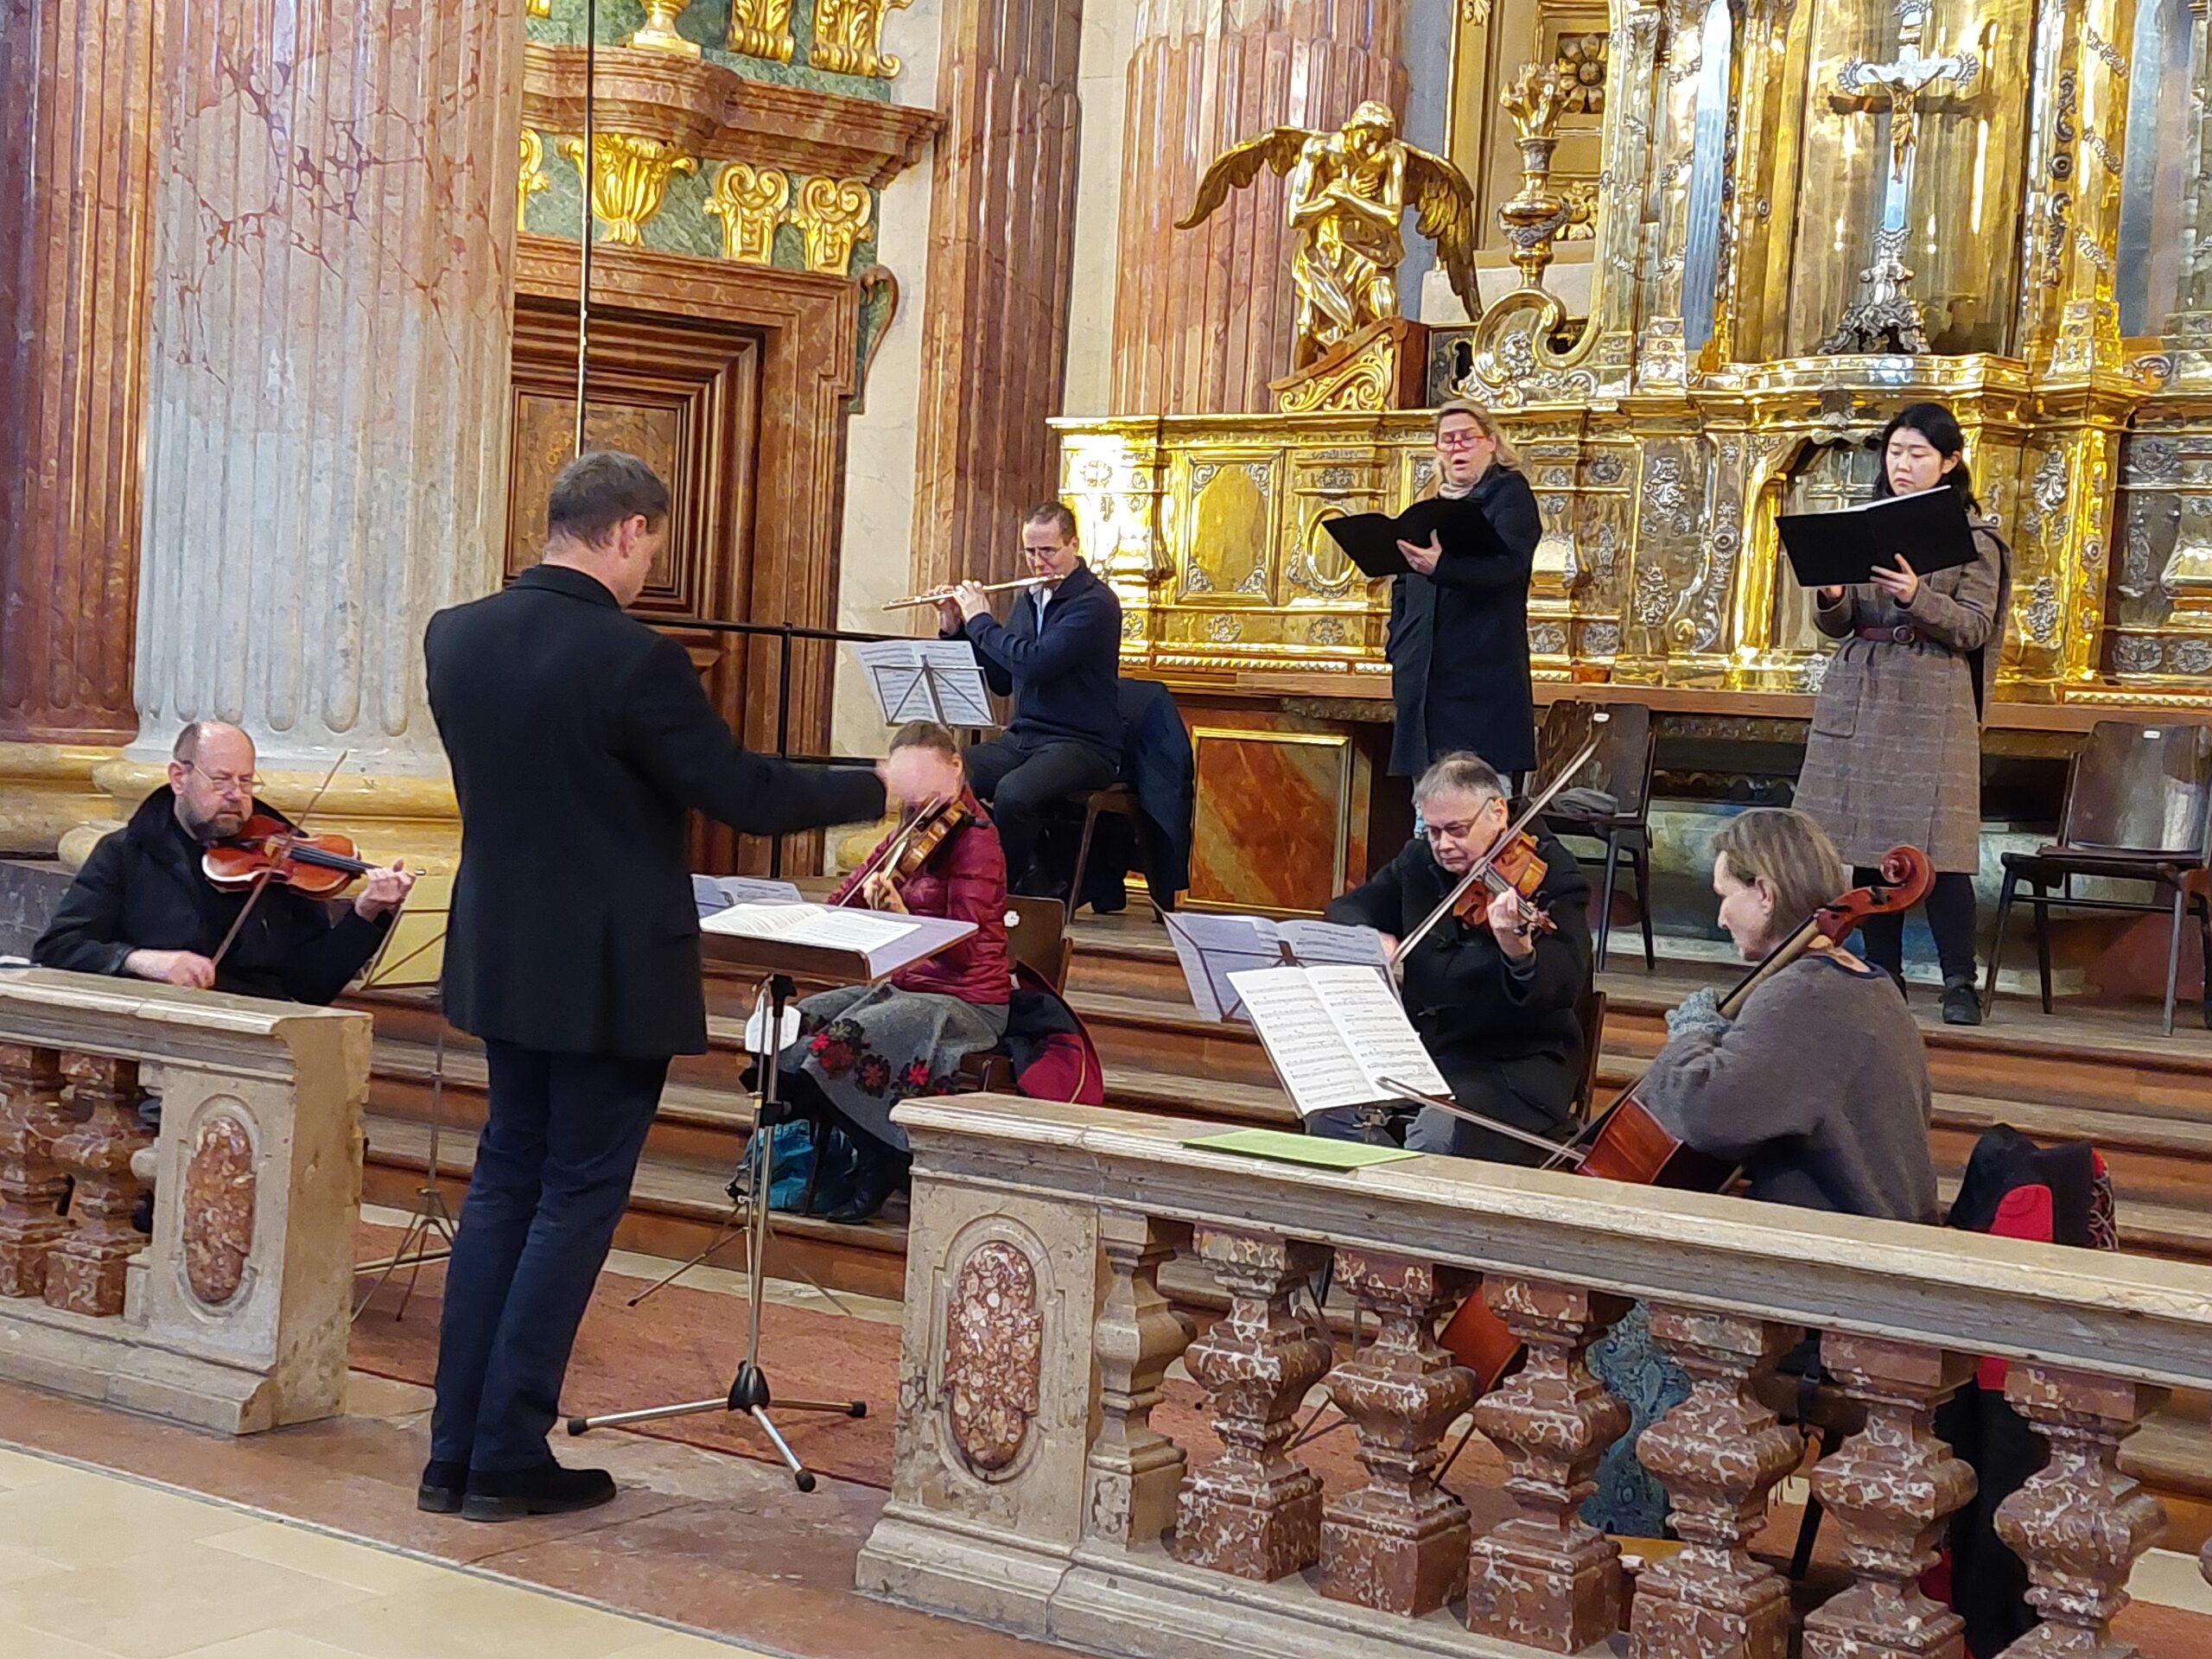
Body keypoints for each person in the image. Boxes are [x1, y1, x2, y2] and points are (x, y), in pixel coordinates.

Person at [419, 450, 919, 1522]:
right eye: (652, 547)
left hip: (501, 956)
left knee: (503, 1186)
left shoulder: (454, 636)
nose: (649, 568)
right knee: (572, 1201)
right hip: (603, 976)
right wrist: (882, 782)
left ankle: (452, 1452)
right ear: (630, 531)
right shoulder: (633, 658)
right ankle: (504, 1452)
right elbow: (743, 793)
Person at [1584, 807, 1937, 1536]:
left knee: (1619, 1330)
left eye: (1726, 895)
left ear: (1766, 892)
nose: (1719, 916)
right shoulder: (1864, 983)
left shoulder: (1805, 994)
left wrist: (1690, 1036)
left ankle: (1639, 1547)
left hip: (1838, 1287)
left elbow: (1709, 1112)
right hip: (1870, 1259)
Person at [1795, 401, 2011, 1027]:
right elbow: (1841, 623)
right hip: (1864, 688)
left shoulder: (1974, 539)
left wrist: (1919, 596)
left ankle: (1958, 981)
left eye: (1918, 453)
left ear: (1950, 461)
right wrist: (1832, 597)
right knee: (1867, 844)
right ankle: (1882, 974)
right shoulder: (1867, 525)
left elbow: (1974, 626)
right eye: (1895, 452)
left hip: (1931, 699)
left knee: (1939, 849)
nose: (1903, 464)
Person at [774, 721, 1010, 1222]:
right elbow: (846, 897)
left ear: (955, 767)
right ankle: (829, 1162)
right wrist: (817, 919)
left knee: (848, 1036)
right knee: (799, 1020)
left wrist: (903, 918)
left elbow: (963, 954)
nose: (916, 796)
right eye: (907, 783)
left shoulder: (977, 840)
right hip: (907, 988)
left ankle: (881, 1157)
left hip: (965, 1001)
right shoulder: (912, 830)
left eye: (926, 779)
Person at [1322, 752, 1590, 1161]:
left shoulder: (1554, 875)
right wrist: (1371, 937)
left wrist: (1520, 953)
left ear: (1497, 811)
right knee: (1330, 1110)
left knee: (1437, 1132)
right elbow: (1349, 909)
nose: (1443, 845)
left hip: (1512, 1068)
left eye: (1456, 830)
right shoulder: (1418, 861)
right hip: (1424, 1055)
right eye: (1432, 831)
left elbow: (1565, 983)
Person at [34, 720, 413, 1002]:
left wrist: (364, 916)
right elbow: (58, 947)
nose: (236, 795)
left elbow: (310, 987)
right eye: (220, 781)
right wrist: (144, 961)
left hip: (260, 1030)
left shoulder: (282, 859)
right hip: (157, 1028)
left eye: (246, 781)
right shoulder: (125, 853)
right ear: (179, 778)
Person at [936, 501, 1122, 893]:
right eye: (1030, 552)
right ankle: (964, 877)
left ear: (1074, 545)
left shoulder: (1096, 603)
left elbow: (1036, 664)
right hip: (1025, 738)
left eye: (1048, 551)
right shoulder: (1029, 599)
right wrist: (957, 629)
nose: (1038, 563)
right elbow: (1004, 679)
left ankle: (1003, 891)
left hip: (1082, 744)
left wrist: (980, 620)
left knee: (1014, 794)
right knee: (944, 774)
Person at [1386, 400, 1541, 782]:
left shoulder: (1509, 495)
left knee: (1477, 797)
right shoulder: (1429, 508)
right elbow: (1403, 584)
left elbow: (1509, 568)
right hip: (1424, 680)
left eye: (1467, 438)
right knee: (1427, 804)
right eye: (1448, 440)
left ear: (1491, 442)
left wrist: (1443, 568)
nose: (1457, 447)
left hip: (1480, 680)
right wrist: (1398, 644)